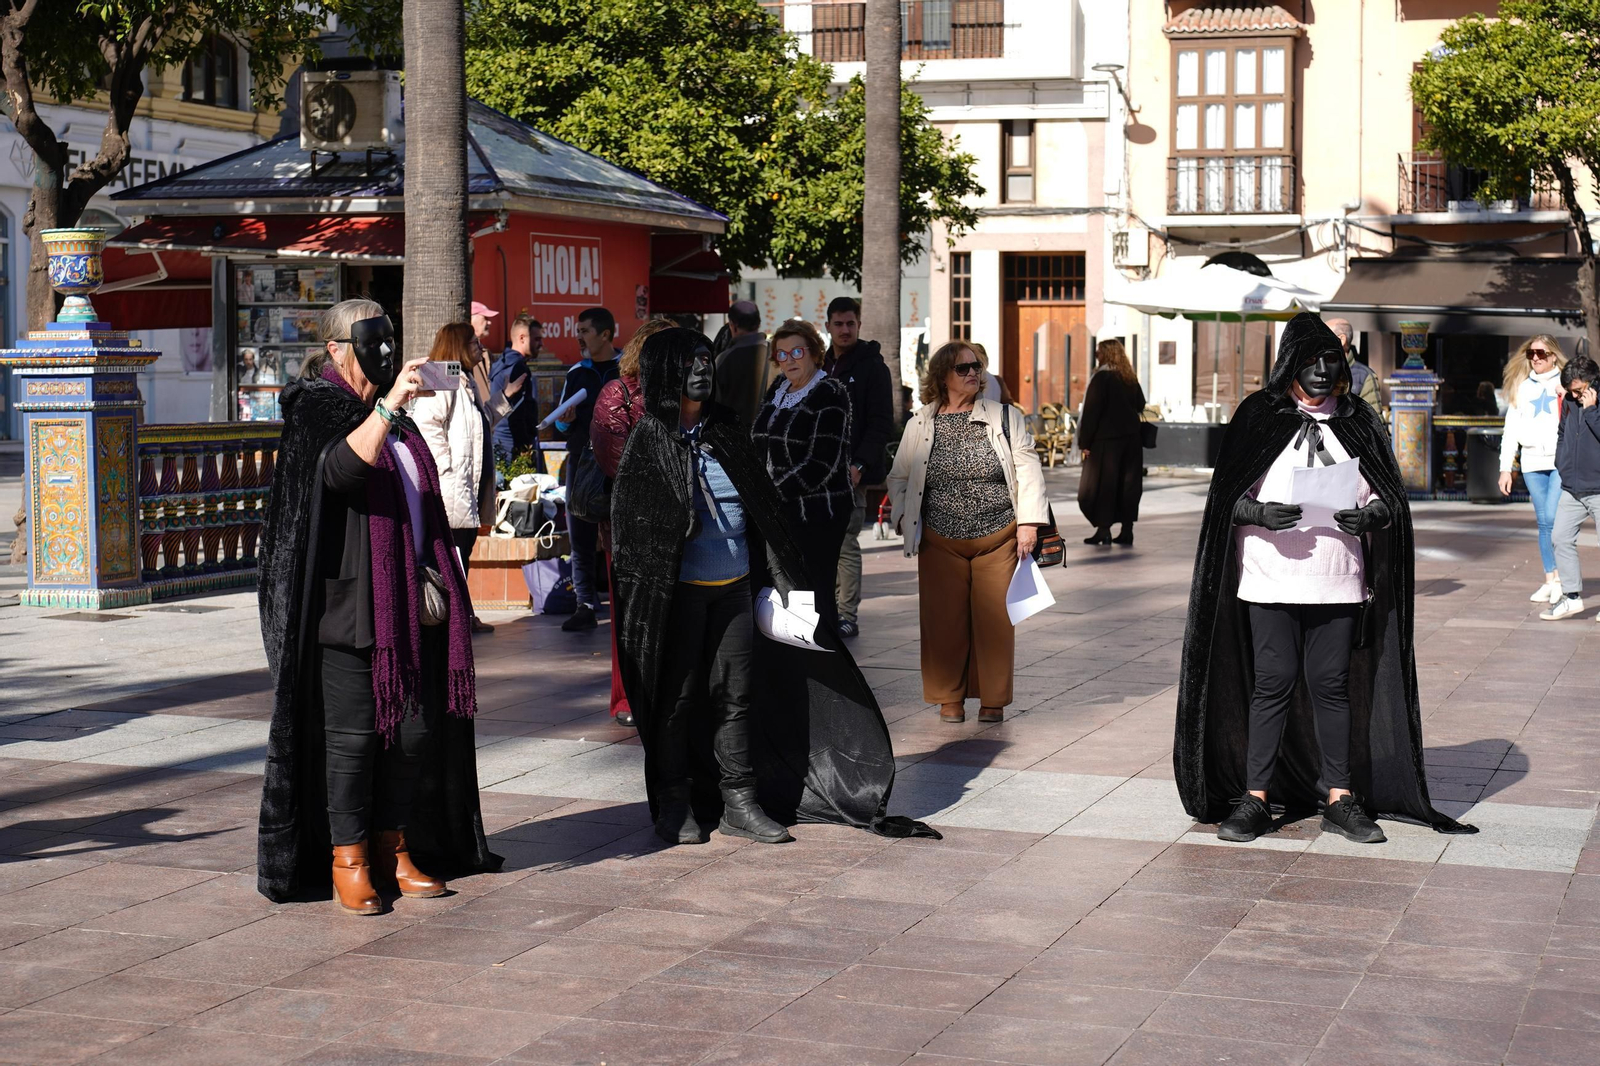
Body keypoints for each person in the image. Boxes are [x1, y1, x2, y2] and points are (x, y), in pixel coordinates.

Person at [611, 327, 935, 846]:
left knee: (736, 695)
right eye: (690, 362)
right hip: (679, 595)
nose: (703, 369)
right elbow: (634, 536)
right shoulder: (649, 440)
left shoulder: (726, 429)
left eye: (706, 359)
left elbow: (763, 506)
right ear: (665, 371)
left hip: (735, 589)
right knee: (677, 699)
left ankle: (740, 801)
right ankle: (674, 802)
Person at [1176, 312, 1476, 845]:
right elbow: (1224, 501)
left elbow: (1388, 499)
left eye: (1331, 360)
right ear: (1289, 364)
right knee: (1272, 683)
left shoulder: (1359, 420)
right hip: (1270, 577)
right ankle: (1255, 799)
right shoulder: (1259, 416)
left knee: (1332, 686)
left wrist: (1372, 516)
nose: (1321, 370)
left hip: (1337, 578)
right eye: (1311, 360)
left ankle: (1341, 799)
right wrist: (1257, 512)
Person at [256, 299, 500, 913]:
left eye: (390, 339)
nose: (385, 352)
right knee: (354, 741)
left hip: (410, 608)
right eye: (372, 340)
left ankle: (395, 848)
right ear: (336, 349)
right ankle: (350, 860)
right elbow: (340, 472)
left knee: (414, 734)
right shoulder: (317, 407)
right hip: (347, 608)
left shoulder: (399, 421)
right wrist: (389, 407)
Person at [887, 341, 1048, 725]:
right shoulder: (920, 423)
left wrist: (1028, 524)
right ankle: (950, 698)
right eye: (963, 368)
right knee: (943, 623)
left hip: (998, 536)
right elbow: (899, 477)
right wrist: (903, 518)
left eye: (976, 366)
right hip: (939, 540)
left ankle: (993, 700)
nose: (973, 373)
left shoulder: (1005, 416)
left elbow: (1028, 469)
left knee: (995, 623)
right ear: (943, 376)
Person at [412, 323, 525, 636]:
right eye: (475, 342)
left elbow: (479, 423)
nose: (481, 347)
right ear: (459, 346)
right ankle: (454, 616)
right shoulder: (442, 378)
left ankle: (463, 614)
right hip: (452, 485)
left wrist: (505, 397)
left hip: (467, 485)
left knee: (463, 550)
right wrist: (444, 467)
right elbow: (426, 423)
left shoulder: (464, 381)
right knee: (453, 551)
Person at [590, 318, 676, 729]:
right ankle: (625, 697)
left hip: (678, 527)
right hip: (629, 527)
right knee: (628, 617)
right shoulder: (618, 393)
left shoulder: (682, 394)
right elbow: (618, 464)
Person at [751, 319, 853, 623]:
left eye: (797, 351)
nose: (789, 360)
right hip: (776, 510)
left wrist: (771, 495)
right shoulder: (778, 389)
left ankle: (825, 652)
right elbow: (759, 440)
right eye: (781, 354)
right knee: (781, 596)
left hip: (817, 512)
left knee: (813, 598)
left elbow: (821, 463)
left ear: (814, 352)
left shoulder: (830, 392)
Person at [824, 297, 894, 639]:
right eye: (838, 324)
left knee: (846, 542)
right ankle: (828, 610)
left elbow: (881, 423)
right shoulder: (820, 363)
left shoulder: (872, 366)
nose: (845, 330)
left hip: (853, 472)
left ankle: (846, 614)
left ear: (859, 325)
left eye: (850, 323)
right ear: (828, 326)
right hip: (819, 472)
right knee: (825, 545)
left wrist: (859, 465)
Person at [556, 306, 623, 633]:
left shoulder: (626, 369)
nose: (579, 337)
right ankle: (584, 604)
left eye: (585, 331)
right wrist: (564, 422)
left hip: (619, 465)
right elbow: (561, 425)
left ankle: (624, 602)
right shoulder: (576, 373)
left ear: (605, 334)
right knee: (580, 536)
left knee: (621, 535)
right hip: (582, 463)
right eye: (578, 331)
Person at [1499, 336, 1567, 607]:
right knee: (1543, 522)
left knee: (1552, 517)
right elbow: (1510, 431)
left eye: (1541, 353)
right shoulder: (1522, 387)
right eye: (1531, 353)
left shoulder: (1565, 383)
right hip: (1531, 463)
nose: (1536, 358)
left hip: (1560, 462)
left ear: (1553, 355)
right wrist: (1506, 468)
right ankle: (1551, 579)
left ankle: (1562, 580)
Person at [1541, 354, 1600, 621]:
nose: (1575, 396)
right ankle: (1572, 598)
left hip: (1598, 486)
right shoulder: (1570, 400)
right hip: (1572, 486)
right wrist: (1561, 462)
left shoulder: (1593, 402)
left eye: (1578, 390)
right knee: (1560, 538)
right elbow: (1563, 432)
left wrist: (1592, 410)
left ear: (1592, 381)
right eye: (1571, 391)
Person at [1076, 339, 1146, 546]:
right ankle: (1127, 530)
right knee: (1128, 485)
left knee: (1101, 486)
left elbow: (1091, 412)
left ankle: (1104, 530)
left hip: (1105, 442)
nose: (1096, 356)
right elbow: (1141, 404)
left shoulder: (1101, 378)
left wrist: (1084, 442)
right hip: (1132, 440)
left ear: (1106, 354)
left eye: (1098, 352)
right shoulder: (1129, 377)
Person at [490, 313, 546, 474]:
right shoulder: (517, 368)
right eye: (537, 339)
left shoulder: (502, 363)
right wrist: (524, 447)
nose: (541, 344)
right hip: (513, 447)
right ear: (522, 338)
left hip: (501, 442)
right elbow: (517, 412)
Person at [714, 300, 772, 428]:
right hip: (771, 432)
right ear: (759, 323)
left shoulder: (724, 359)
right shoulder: (777, 354)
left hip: (736, 433)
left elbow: (715, 404)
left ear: (733, 325)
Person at [1325, 318, 1381, 412]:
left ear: (1341, 340)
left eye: (1324, 336)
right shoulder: (1314, 370)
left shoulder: (1364, 376)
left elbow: (1374, 417)